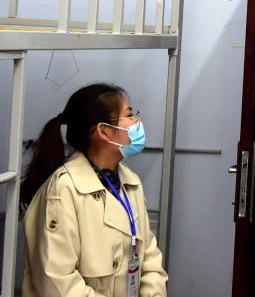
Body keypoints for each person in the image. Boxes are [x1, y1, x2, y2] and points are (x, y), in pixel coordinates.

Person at [21, 83, 167, 296]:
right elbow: (58, 284)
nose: (136, 122)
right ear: (103, 131)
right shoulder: (64, 189)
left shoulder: (130, 182)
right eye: (129, 115)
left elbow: (151, 260)